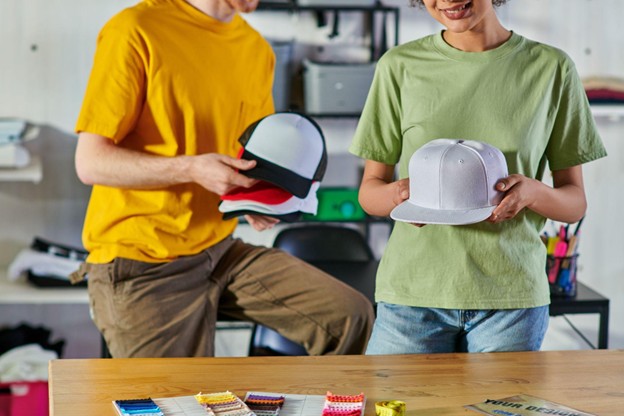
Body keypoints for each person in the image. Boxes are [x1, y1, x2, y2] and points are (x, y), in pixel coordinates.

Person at [71, 0, 374, 358]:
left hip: (220, 251)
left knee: (350, 317)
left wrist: (256, 199)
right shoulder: (136, 30)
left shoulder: (256, 49)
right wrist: (190, 169)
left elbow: (249, 155)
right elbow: (91, 162)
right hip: (142, 262)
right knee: (178, 405)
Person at [349, 0, 607, 354]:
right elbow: (369, 192)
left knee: (496, 412)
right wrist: (402, 196)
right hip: (412, 296)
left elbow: (574, 203)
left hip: (511, 300)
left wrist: (533, 192)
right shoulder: (399, 66)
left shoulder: (552, 68)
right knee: (397, 410)